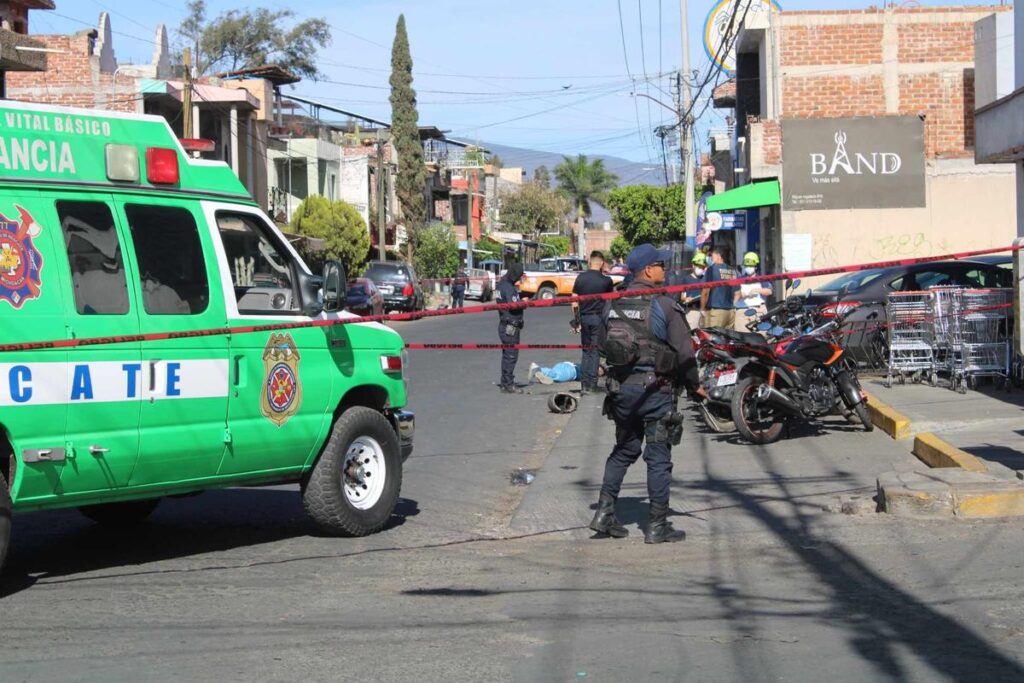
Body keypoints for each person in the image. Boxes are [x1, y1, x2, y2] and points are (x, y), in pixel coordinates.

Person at [589, 243, 701, 544]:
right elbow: (685, 352)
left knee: (624, 450)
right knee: (658, 457)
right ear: (648, 270)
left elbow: (601, 344)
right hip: (655, 392)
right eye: (660, 265)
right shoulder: (664, 305)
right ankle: (657, 525)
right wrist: (695, 385)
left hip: (621, 392)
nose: (664, 270)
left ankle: (604, 513)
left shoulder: (611, 304)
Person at [570, 250, 614, 393]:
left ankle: (584, 383)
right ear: (601, 263)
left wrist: (577, 321)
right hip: (598, 318)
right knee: (595, 351)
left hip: (584, 317)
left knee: (586, 351)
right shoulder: (606, 281)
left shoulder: (580, 278)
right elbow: (610, 302)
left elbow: (574, 300)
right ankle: (592, 384)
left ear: (590, 262)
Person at [497, 262, 525, 393]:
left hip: (504, 324)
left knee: (507, 355)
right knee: (511, 356)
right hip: (510, 327)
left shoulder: (502, 284)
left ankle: (505, 382)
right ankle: (508, 384)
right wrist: (524, 303)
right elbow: (513, 305)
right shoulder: (507, 287)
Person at [700, 246, 738, 330]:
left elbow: (705, 291)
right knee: (728, 340)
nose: (710, 258)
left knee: (712, 338)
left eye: (712, 255)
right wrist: (733, 307)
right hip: (730, 313)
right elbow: (737, 293)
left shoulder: (712, 269)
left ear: (718, 255)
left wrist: (702, 309)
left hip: (716, 313)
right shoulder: (732, 271)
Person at [734, 251, 772, 332]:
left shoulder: (761, 279)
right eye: (747, 265)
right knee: (742, 339)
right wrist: (742, 294)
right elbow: (734, 295)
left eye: (751, 265)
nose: (748, 267)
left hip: (758, 311)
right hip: (742, 311)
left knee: (761, 337)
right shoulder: (739, 280)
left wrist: (757, 290)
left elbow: (769, 291)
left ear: (756, 266)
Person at [678, 251, 707, 330]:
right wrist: (686, 299)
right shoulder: (686, 279)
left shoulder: (705, 279)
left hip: (704, 312)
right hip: (692, 311)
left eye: (703, 267)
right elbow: (682, 297)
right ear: (693, 265)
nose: (701, 269)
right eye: (699, 266)